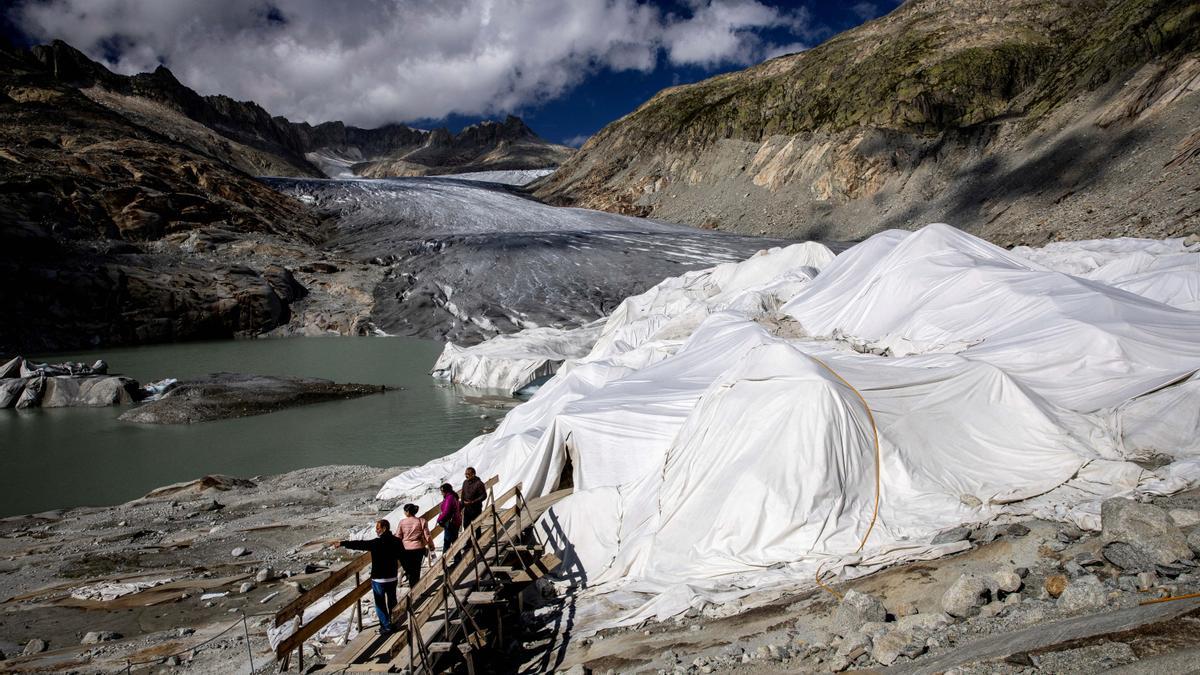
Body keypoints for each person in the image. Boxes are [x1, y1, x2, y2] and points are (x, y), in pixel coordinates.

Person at [331, 519, 403, 636]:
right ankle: (393, 622)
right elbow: (402, 555)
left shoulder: (376, 543)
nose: (376, 530)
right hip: (392, 577)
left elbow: (359, 544)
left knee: (380, 604)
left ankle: (386, 626)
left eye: (378, 528)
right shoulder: (397, 541)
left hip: (378, 579)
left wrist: (343, 543)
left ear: (384, 528)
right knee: (392, 601)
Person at [395, 503, 433, 586]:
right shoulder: (422, 521)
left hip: (405, 549)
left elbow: (398, 537)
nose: (404, 513)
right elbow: (427, 535)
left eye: (405, 511)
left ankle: (409, 576)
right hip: (418, 548)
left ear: (408, 512)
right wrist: (431, 546)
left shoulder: (402, 522)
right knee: (416, 570)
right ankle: (415, 588)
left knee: (408, 568)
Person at [437, 483, 463, 554]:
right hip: (456, 521)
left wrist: (439, 519)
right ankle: (458, 559)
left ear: (446, 491)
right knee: (454, 541)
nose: (441, 493)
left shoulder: (449, 498)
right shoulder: (453, 496)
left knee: (447, 543)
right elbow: (460, 506)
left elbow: (446, 511)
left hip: (451, 523)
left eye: (442, 491)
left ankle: (444, 563)